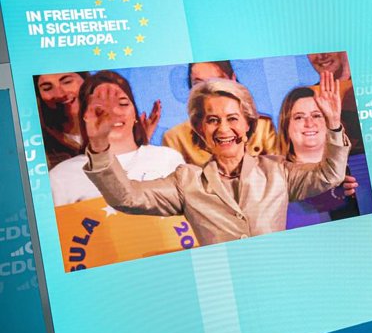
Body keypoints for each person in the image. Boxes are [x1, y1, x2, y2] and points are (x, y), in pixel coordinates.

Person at [83, 73, 349, 246]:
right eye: (212, 120)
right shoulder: (185, 181)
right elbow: (127, 197)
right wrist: (98, 144)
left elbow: (329, 175)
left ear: (248, 125)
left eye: (233, 119)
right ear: (200, 129)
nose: (223, 129)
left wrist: (334, 124)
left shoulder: (277, 170)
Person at [50, 71, 183, 206]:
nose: (113, 113)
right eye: (100, 107)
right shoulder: (62, 176)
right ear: (85, 116)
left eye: (122, 103)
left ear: (134, 114)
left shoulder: (168, 159)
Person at [162, 61, 277, 165]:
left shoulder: (262, 127)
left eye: (217, 82)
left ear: (233, 79)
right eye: (198, 84)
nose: (209, 91)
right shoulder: (175, 138)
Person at [277, 86, 360, 228]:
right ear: (286, 126)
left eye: (316, 115)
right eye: (299, 117)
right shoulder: (275, 177)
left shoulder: (357, 168)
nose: (309, 123)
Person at [35, 72, 89, 169]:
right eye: (47, 88)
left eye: (67, 82)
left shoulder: (116, 125)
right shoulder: (37, 142)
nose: (60, 94)